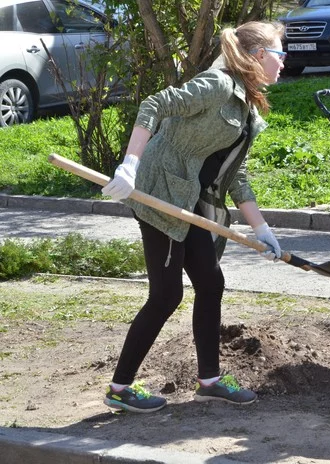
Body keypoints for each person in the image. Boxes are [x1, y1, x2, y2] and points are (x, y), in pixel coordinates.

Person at [100, 21, 287, 413]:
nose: (283, 63)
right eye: (279, 53)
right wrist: (130, 164)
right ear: (258, 56)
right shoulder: (217, 85)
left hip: (190, 203)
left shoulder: (246, 103)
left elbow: (237, 174)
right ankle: (120, 388)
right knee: (167, 295)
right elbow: (154, 104)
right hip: (161, 195)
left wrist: (263, 229)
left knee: (211, 282)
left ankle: (210, 381)